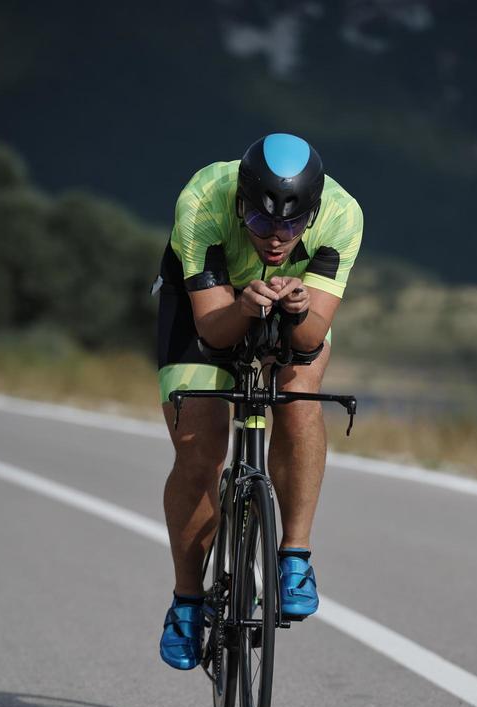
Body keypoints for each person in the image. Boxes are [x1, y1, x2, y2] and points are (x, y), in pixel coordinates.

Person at [155, 133, 363, 669]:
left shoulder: (342, 215)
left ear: (313, 213)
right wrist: (246, 307)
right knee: (199, 449)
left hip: (291, 311)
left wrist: (295, 310)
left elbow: (310, 340)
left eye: (292, 226)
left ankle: (294, 556)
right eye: (262, 223)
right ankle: (187, 600)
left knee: (299, 395)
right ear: (241, 204)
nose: (276, 239)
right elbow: (213, 332)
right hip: (210, 305)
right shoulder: (203, 198)